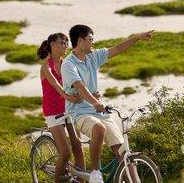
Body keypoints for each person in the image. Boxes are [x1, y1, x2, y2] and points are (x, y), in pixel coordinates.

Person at [61, 25, 154, 183]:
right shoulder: (69, 64)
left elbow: (118, 48)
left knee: (123, 153)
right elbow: (79, 86)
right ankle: (95, 174)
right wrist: (95, 101)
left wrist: (137, 37)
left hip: (100, 112)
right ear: (80, 40)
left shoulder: (93, 56)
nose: (93, 43)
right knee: (99, 128)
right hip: (79, 113)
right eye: (90, 39)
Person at [37, 33, 85, 183]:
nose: (65, 45)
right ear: (52, 45)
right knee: (65, 153)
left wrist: (89, 94)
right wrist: (69, 97)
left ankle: (81, 180)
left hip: (68, 108)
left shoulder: (67, 63)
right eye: (62, 43)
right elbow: (58, 87)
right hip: (53, 111)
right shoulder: (46, 66)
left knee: (78, 145)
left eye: (66, 43)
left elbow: (78, 82)